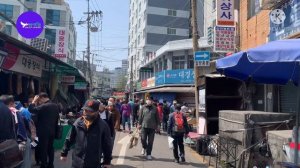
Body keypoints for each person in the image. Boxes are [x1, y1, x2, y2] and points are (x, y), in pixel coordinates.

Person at [60, 99, 112, 168]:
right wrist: (64, 153)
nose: (86, 113)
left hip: (93, 162)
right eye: (85, 110)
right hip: (77, 162)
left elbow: (107, 145)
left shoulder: (103, 126)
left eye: (90, 111)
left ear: (97, 112)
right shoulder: (78, 123)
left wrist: (107, 161)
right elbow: (69, 138)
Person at [29, 93, 60, 168]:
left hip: (43, 131)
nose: (39, 102)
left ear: (42, 98)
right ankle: (50, 164)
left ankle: (43, 164)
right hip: (52, 130)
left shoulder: (44, 106)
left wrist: (33, 101)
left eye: (39, 100)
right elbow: (57, 119)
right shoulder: (55, 106)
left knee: (43, 148)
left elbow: (31, 109)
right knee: (50, 148)